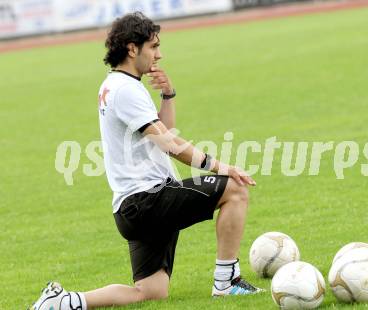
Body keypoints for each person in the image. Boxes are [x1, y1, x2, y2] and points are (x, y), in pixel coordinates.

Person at [30, 12, 262, 310]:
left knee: (150, 292)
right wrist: (221, 167)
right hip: (147, 200)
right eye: (153, 46)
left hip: (132, 208)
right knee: (234, 188)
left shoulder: (119, 84)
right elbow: (170, 144)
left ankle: (65, 302)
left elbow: (164, 136)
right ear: (131, 48)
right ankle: (227, 283)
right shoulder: (125, 90)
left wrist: (168, 95)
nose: (159, 53)